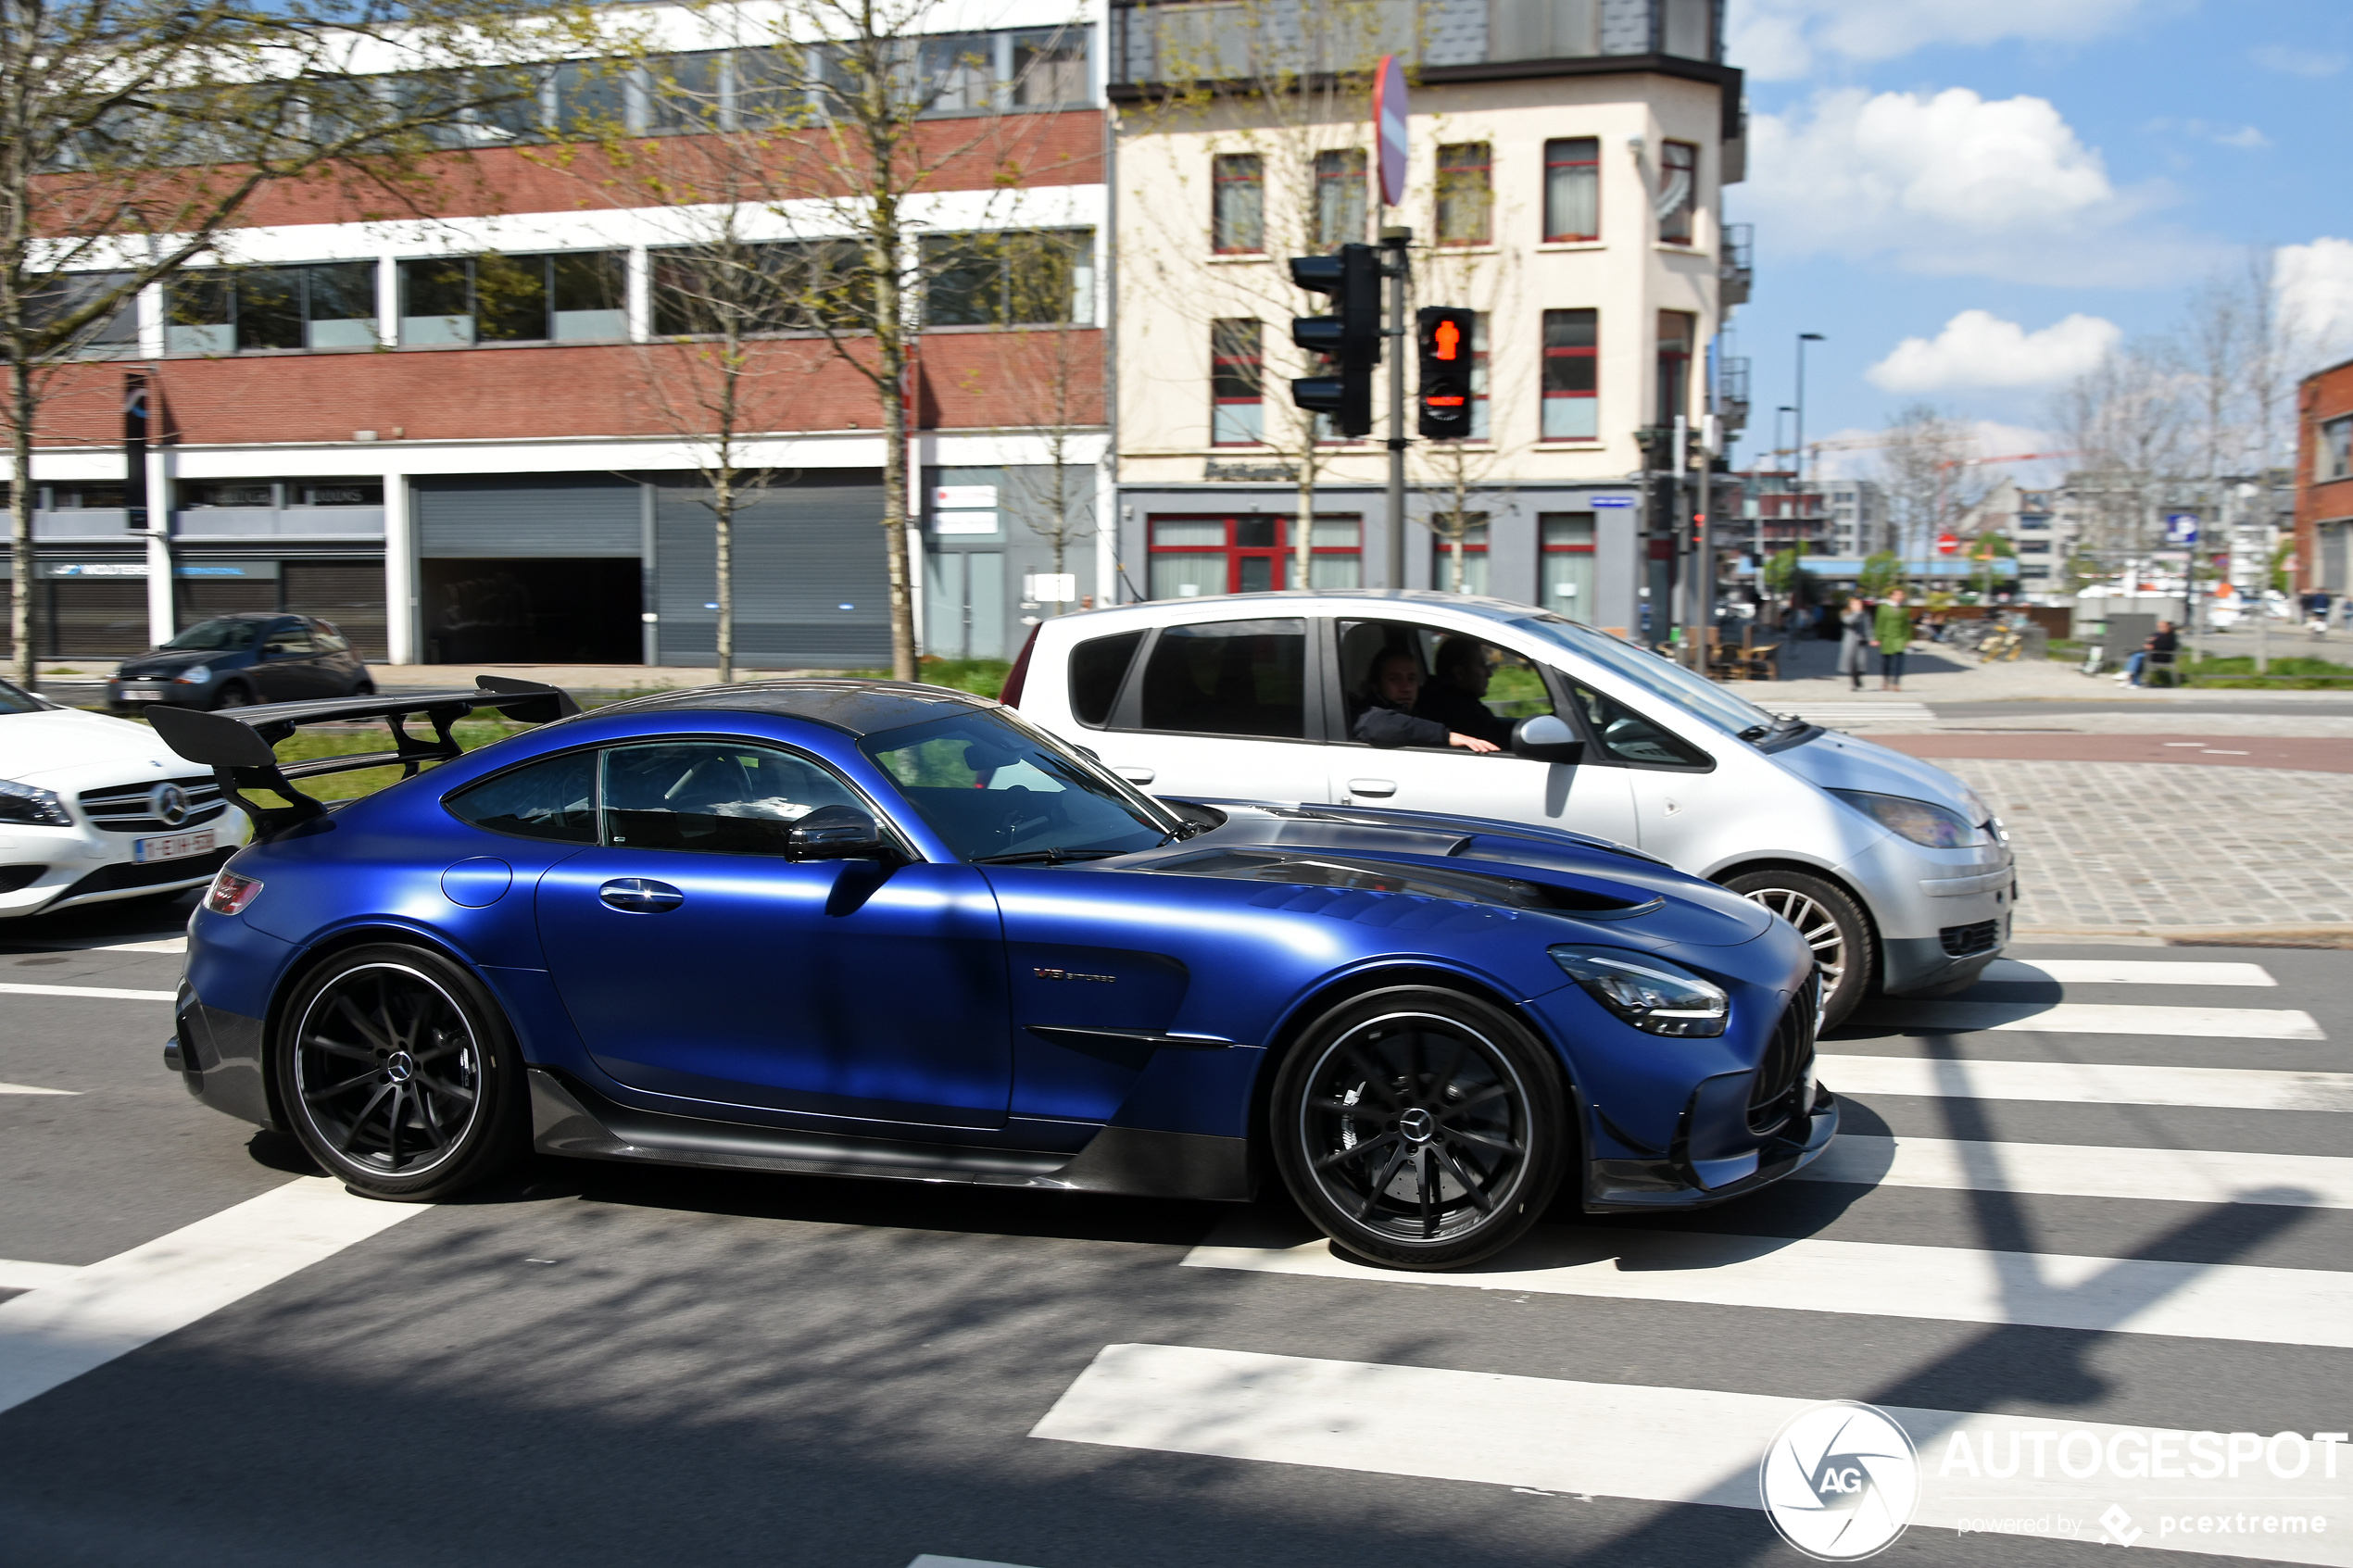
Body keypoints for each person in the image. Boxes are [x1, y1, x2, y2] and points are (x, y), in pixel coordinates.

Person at [1352, 648, 1501, 751]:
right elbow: (1378, 726)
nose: (1406, 687)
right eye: (1394, 679)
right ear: (1376, 685)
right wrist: (1447, 736)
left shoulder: (1424, 709)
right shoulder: (1367, 713)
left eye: (1412, 679)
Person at [1416, 637, 1516, 747]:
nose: (1489, 674)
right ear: (1459, 673)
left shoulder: (1437, 699)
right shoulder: (1462, 712)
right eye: (1482, 666)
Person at [1870, 588, 1912, 692]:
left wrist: (1907, 639)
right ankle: (1886, 680)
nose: (1900, 597)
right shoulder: (1883, 608)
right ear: (1891, 596)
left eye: (1901, 595)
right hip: (1887, 637)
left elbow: (1906, 625)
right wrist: (1877, 638)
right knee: (1886, 661)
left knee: (1899, 661)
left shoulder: (1904, 609)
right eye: (1897, 595)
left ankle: (1896, 683)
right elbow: (1879, 623)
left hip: (1899, 637)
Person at [2120, 620, 2179, 687]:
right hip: (2151, 654)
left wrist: (2153, 646)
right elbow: (2149, 643)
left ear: (2169, 627)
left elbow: (2165, 646)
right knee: (2137, 655)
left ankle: (2130, 676)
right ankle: (2131, 678)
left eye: (2163, 626)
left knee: (2139, 656)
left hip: (2162, 656)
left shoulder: (2171, 636)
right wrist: (2149, 644)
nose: (2161, 628)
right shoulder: (2157, 635)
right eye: (2159, 626)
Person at [1836, 596, 1872, 692]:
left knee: (1861, 662)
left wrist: (1870, 638)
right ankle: (1854, 682)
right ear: (1851, 605)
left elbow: (1868, 626)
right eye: (1855, 604)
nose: (1858, 606)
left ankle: (1858, 677)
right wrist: (1857, 613)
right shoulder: (1846, 613)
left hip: (1861, 640)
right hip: (1850, 640)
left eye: (1859, 604)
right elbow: (1849, 621)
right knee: (1851, 662)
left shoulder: (1866, 614)